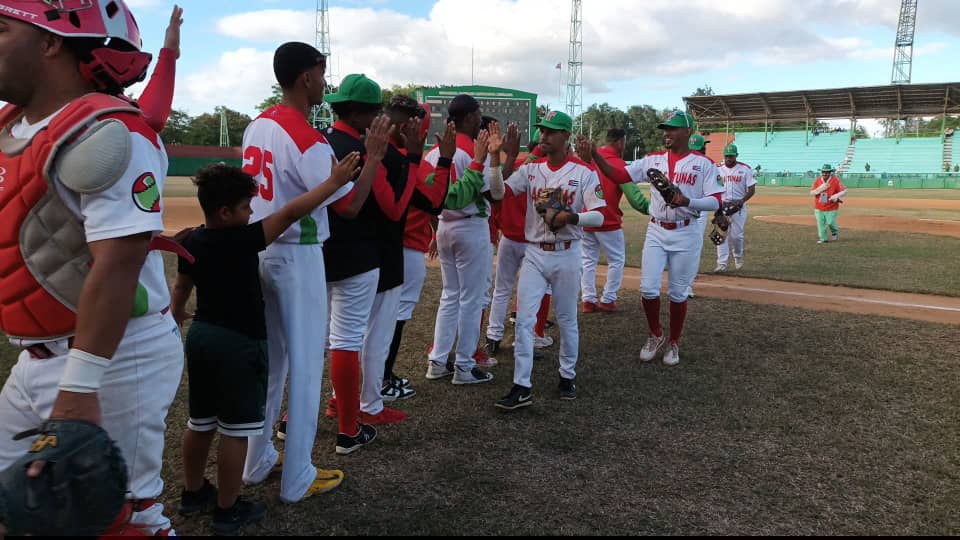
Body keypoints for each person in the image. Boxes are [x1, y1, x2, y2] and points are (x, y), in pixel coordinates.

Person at [0, 0, 183, 534]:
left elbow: (120, 263)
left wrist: (79, 389)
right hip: (36, 356)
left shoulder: (106, 133)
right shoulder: (14, 125)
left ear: (51, 41)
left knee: (119, 519)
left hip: (115, 356)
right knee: (19, 506)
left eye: (2, 29)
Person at [171, 158, 358, 534]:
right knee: (236, 430)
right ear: (224, 212)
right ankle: (227, 507)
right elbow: (291, 212)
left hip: (202, 337)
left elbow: (182, 286)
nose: (253, 211)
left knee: (200, 421)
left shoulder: (191, 239)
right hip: (239, 344)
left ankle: (193, 493)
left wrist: (176, 313)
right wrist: (334, 182)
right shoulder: (243, 239)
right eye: (245, 206)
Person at [241, 42, 381, 504]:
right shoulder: (308, 138)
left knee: (273, 363)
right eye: (321, 74)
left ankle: (257, 460)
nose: (324, 82)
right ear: (306, 78)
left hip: (259, 249)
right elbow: (349, 205)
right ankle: (297, 473)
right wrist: (374, 158)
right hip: (297, 255)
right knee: (303, 366)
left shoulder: (255, 125)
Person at [476, 111, 607, 410]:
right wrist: (495, 158)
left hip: (567, 252)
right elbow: (497, 192)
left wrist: (571, 217)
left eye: (550, 131)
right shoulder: (531, 169)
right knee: (524, 321)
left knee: (566, 319)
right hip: (534, 252)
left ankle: (567, 375)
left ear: (566, 136)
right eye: (542, 131)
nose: (543, 136)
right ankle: (522, 385)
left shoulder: (584, 172)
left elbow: (600, 214)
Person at [584, 111, 722, 367]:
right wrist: (594, 155)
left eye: (673, 128)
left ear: (687, 132)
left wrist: (687, 201)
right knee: (648, 288)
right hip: (657, 229)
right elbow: (619, 175)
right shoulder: (653, 160)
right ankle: (656, 334)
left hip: (686, 230)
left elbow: (716, 199)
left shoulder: (703, 164)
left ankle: (675, 342)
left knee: (678, 293)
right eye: (665, 129)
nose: (667, 133)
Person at [381, 96, 453, 401]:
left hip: (375, 247)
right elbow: (436, 201)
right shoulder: (412, 164)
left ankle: (375, 379)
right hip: (405, 248)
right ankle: (382, 378)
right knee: (393, 319)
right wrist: (446, 161)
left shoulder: (371, 152)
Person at [422, 95, 497, 385]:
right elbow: (493, 193)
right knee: (471, 299)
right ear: (468, 118)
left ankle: (438, 360)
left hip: (443, 226)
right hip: (469, 225)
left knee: (450, 295)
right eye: (477, 115)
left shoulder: (434, 151)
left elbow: (431, 196)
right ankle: (464, 366)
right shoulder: (472, 150)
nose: (480, 119)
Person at [485, 127, 557, 359]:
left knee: (501, 290)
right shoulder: (545, 171)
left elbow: (497, 198)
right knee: (534, 292)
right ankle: (527, 338)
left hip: (509, 238)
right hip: (531, 243)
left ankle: (493, 336)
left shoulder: (514, 166)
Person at [580, 128, 649, 312]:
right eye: (624, 142)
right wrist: (651, 209)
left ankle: (588, 300)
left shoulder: (590, 158)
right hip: (608, 220)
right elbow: (635, 198)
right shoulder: (618, 164)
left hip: (586, 218)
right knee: (616, 260)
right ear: (620, 142)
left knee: (587, 260)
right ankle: (608, 299)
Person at [715, 144, 756, 272]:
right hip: (722, 206)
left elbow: (751, 189)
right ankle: (722, 263)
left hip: (738, 207)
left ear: (736, 156)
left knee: (736, 236)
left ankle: (738, 256)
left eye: (731, 156)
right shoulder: (717, 169)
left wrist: (741, 201)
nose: (728, 158)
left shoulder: (745, 169)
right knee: (721, 235)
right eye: (726, 156)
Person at [810, 164, 847, 243]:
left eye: (827, 172)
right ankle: (823, 239)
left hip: (831, 207)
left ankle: (834, 232)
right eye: (823, 172)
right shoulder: (818, 180)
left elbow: (844, 191)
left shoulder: (835, 180)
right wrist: (819, 189)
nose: (824, 174)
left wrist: (836, 196)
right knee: (821, 224)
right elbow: (812, 192)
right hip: (819, 207)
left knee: (830, 222)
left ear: (830, 172)